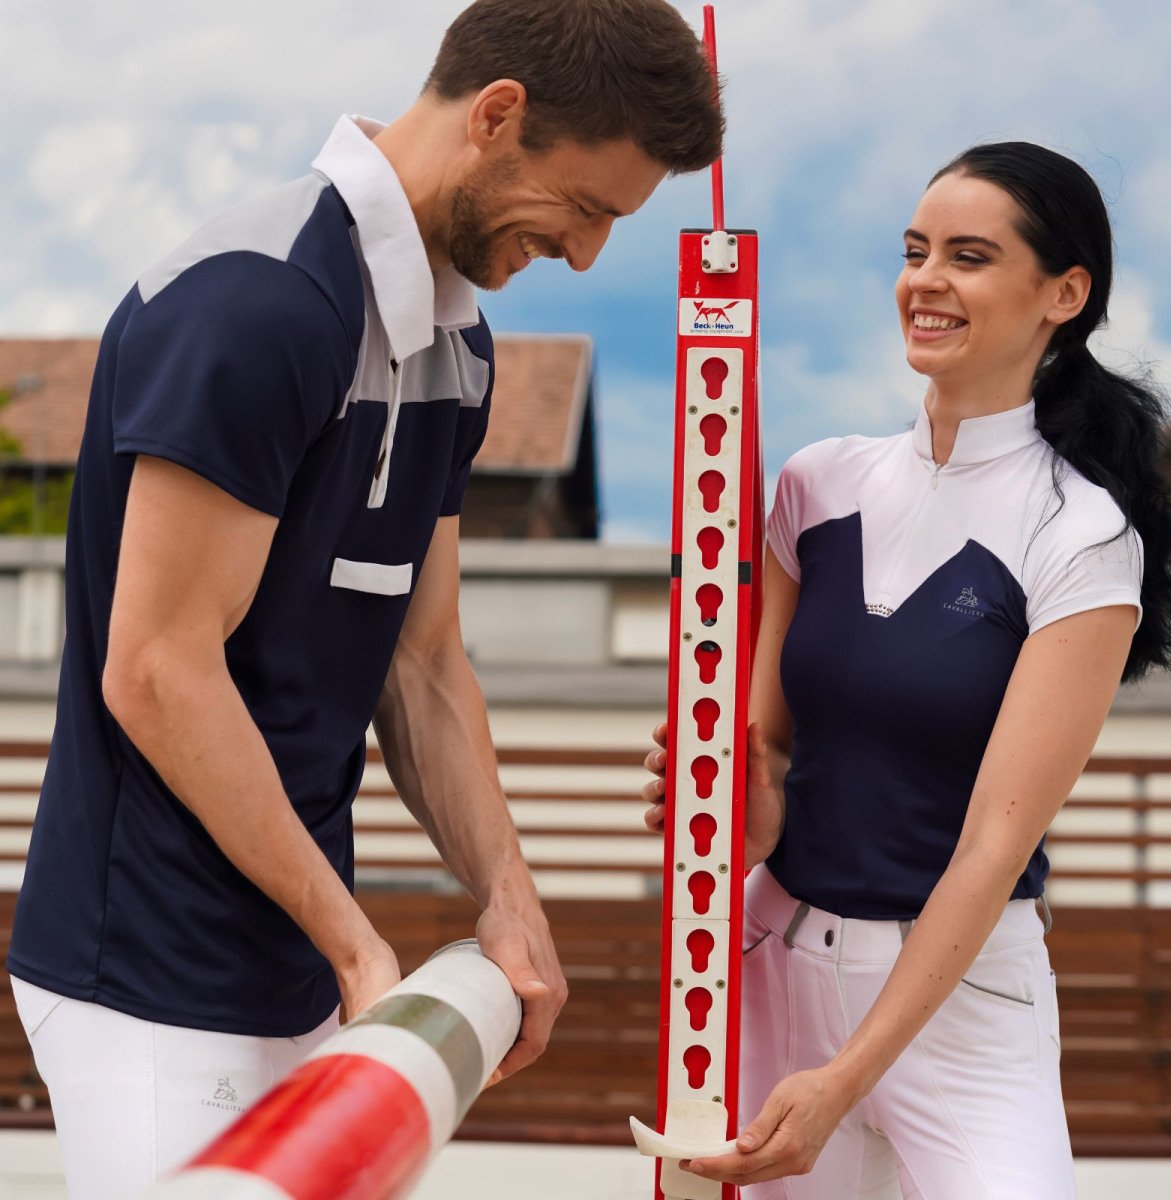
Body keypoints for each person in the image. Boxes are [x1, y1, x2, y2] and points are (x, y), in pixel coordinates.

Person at [6, 2, 723, 1195]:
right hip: (143, 971)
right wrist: (356, 940)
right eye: (587, 208)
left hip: (303, 967)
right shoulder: (260, 302)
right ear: (500, 116)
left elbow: (425, 660)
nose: (589, 255)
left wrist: (507, 895)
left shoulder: (460, 350)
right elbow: (159, 667)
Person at [643, 142, 1171, 1198]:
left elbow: (993, 844)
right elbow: (775, 759)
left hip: (962, 1001)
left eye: (970, 257)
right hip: (776, 969)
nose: (926, 281)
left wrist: (847, 1078)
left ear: (1062, 295)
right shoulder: (815, 485)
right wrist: (724, 797)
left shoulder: (1081, 536)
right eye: (914, 250)